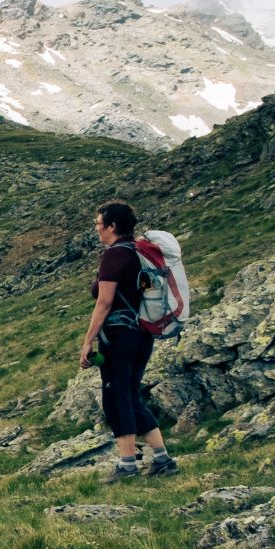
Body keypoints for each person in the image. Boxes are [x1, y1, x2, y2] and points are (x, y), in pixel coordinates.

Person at [78, 200, 177, 479]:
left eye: (99, 223)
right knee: (131, 394)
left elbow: (104, 303)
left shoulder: (114, 255)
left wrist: (88, 341)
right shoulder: (138, 252)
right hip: (143, 333)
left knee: (115, 396)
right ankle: (162, 459)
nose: (97, 228)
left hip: (119, 336)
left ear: (111, 226)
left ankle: (127, 465)